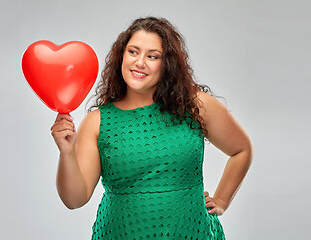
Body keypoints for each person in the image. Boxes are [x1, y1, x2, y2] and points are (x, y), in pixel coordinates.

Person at [50, 17, 253, 239]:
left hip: (192, 233)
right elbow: (74, 199)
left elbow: (241, 150)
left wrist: (222, 200)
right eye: (133, 52)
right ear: (121, 56)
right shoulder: (98, 121)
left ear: (167, 64)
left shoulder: (196, 105)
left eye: (152, 56)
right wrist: (66, 152)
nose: (140, 63)